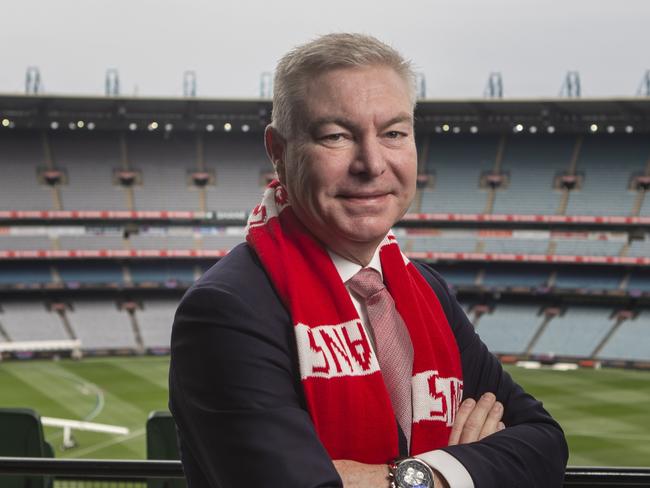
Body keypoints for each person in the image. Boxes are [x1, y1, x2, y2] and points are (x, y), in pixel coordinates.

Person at [169, 33, 568, 488]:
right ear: (278, 152)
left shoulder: (427, 289)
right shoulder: (227, 309)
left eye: (394, 133)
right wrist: (466, 466)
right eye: (336, 135)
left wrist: (421, 477)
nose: (372, 163)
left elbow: (544, 443)